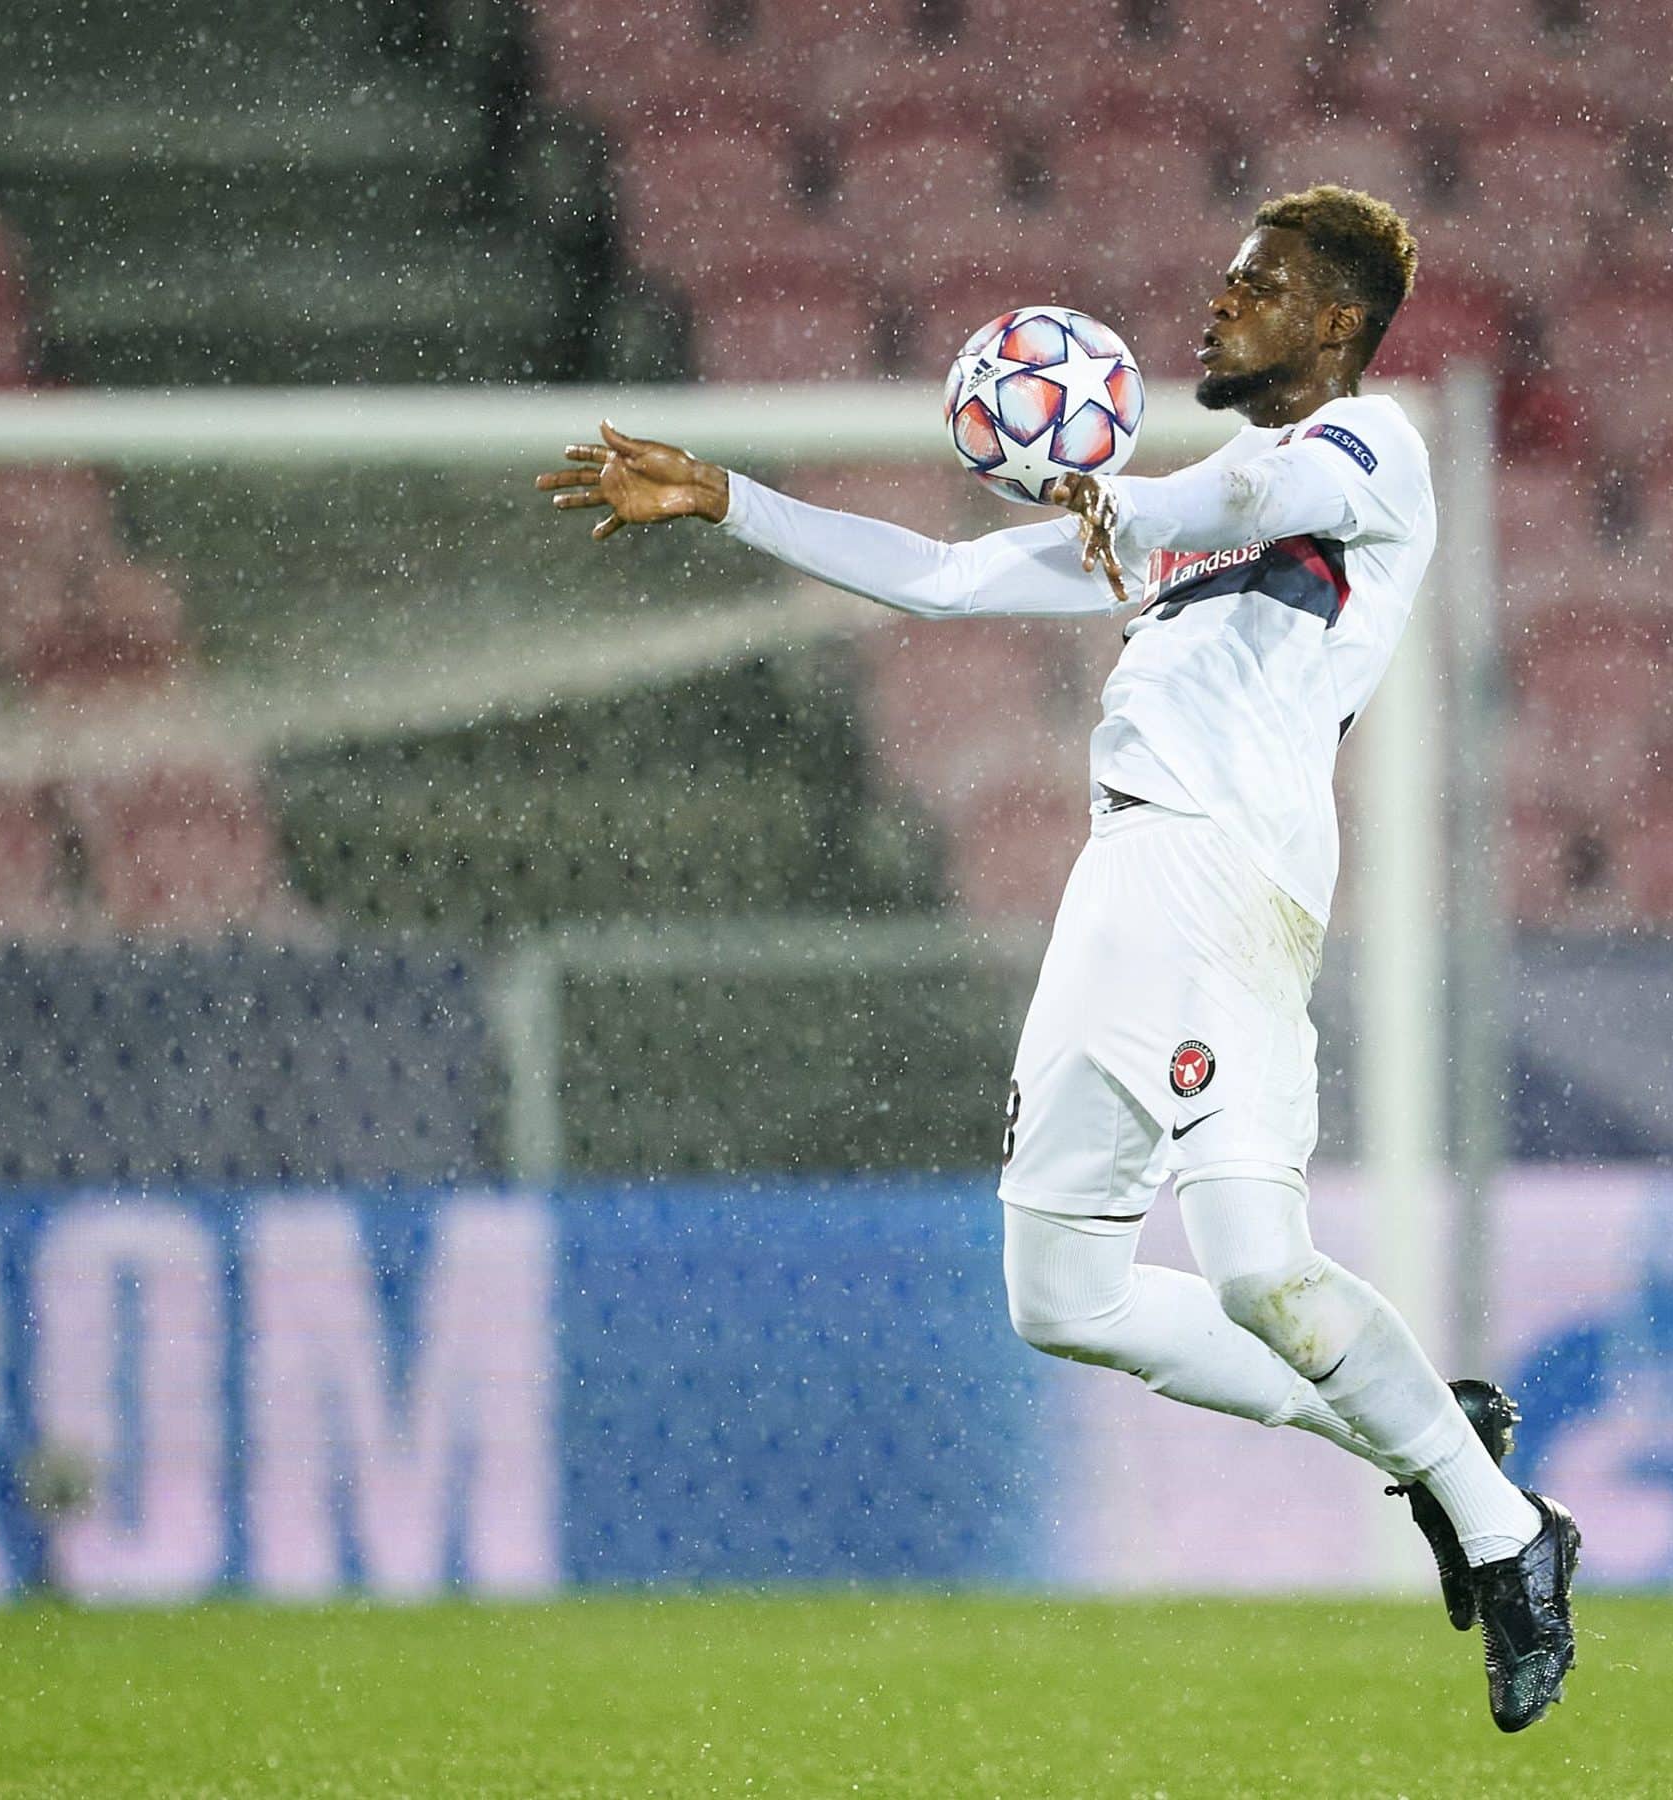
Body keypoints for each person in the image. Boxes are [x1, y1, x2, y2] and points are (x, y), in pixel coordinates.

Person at [534, 186, 1580, 1733]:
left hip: (1210, 877)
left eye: (1256, 286)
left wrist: (1120, 502)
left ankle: (1485, 1516)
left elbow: (1244, 495)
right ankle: (1445, 1461)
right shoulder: (1175, 514)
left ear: (1333, 324)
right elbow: (945, 577)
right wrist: (729, 501)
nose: (1218, 303)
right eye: (1223, 277)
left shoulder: (1367, 453)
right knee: (1095, 1291)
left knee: (1216, 1271)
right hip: (1148, 885)